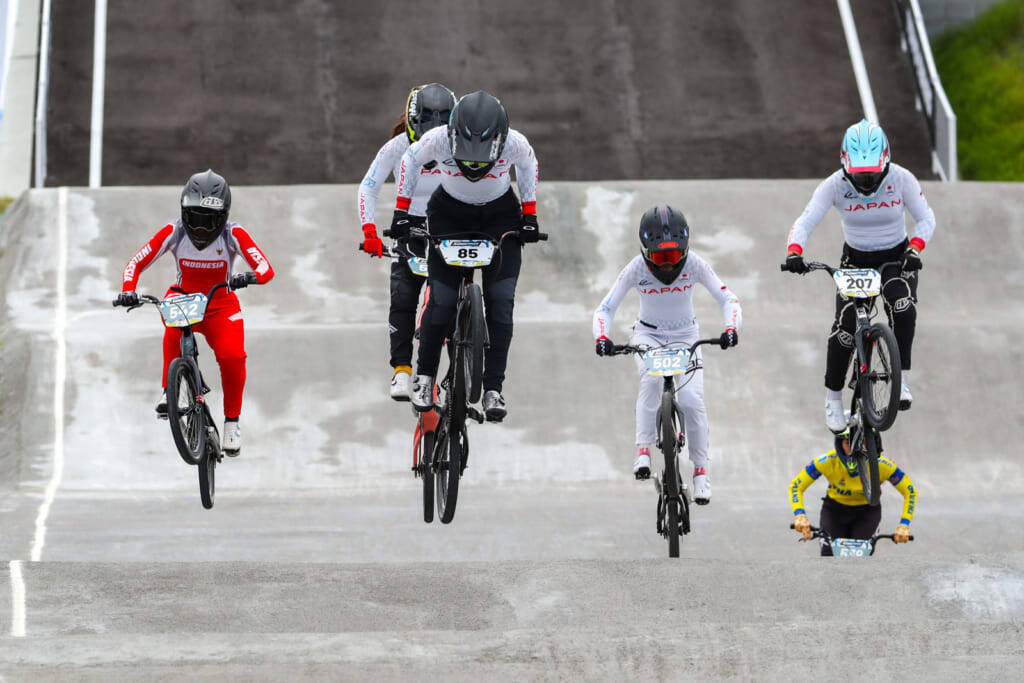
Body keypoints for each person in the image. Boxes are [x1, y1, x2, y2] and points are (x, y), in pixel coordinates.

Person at [392, 90, 540, 421]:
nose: (473, 165)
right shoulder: (437, 139)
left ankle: (492, 388)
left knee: (500, 302)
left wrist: (529, 215)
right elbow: (409, 160)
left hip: (500, 216)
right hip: (449, 215)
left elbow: (529, 164)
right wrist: (401, 210)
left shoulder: (515, 142)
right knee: (441, 301)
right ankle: (426, 376)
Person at [781, 119, 936, 432]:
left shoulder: (901, 179)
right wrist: (794, 252)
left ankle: (900, 379)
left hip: (897, 257)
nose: (866, 182)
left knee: (903, 307)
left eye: (872, 174)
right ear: (844, 166)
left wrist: (915, 249)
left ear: (886, 163)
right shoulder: (834, 185)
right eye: (859, 174)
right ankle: (833, 398)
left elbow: (926, 218)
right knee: (845, 330)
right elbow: (805, 221)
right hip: (856, 261)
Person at [114, 170, 275, 455]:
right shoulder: (173, 231)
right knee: (172, 328)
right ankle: (169, 390)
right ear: (183, 212)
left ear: (223, 216)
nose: (200, 228)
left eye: (208, 220)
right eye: (194, 218)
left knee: (232, 356)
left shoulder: (233, 234)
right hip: (184, 298)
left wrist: (248, 277)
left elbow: (265, 268)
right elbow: (135, 263)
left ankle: (232, 423)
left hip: (221, 303)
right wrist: (129, 289)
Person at [593, 205, 741, 504]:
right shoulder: (635, 268)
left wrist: (731, 328)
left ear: (685, 250)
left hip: (687, 336)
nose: (666, 266)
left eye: (673, 257)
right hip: (648, 334)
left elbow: (728, 298)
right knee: (650, 382)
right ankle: (643, 451)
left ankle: (701, 472)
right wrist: (603, 337)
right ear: (645, 251)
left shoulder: (696, 264)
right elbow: (605, 308)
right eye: (659, 258)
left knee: (692, 401)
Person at [358, 83, 457, 401]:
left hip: (453, 222)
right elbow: (368, 188)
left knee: (456, 294)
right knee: (403, 295)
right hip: (409, 223)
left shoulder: (461, 144)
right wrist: (370, 231)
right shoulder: (397, 147)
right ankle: (402, 370)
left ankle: (462, 361)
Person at [789, 424, 916, 556]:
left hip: (867, 513)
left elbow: (910, 492)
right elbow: (796, 486)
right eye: (848, 443)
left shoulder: (882, 465)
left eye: (861, 443)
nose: (855, 449)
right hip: (834, 512)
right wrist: (800, 514)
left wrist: (904, 524)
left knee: (859, 563)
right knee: (828, 558)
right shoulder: (827, 461)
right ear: (839, 444)